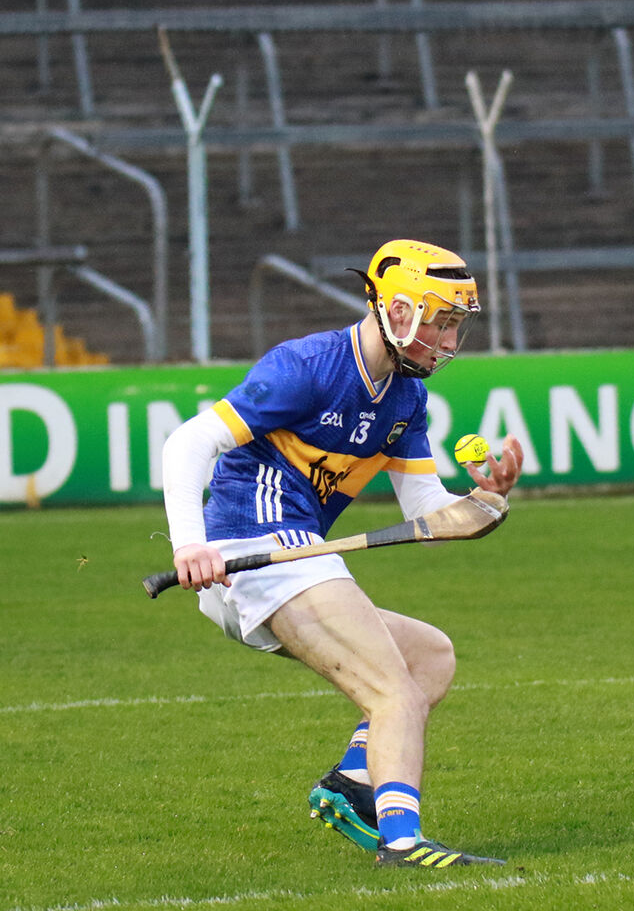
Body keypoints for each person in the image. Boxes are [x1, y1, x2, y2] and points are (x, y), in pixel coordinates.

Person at [160, 239, 524, 867]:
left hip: (296, 557)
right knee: (394, 693)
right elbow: (188, 442)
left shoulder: (406, 399)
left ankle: (352, 787)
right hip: (258, 547)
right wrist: (189, 542)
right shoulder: (308, 366)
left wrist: (484, 499)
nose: (447, 341)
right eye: (440, 322)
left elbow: (423, 509)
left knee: (430, 657)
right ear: (399, 311)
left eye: (455, 326)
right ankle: (402, 843)